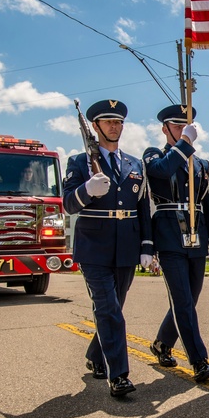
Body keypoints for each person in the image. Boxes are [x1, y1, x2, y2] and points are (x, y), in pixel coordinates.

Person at [62, 99, 152, 398]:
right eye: (108, 121)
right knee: (109, 309)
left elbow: (142, 209)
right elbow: (68, 204)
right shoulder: (79, 162)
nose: (115, 126)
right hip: (94, 246)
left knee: (114, 308)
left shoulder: (134, 164)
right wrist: (86, 190)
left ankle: (95, 354)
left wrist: (146, 246)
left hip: (126, 244)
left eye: (119, 122)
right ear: (95, 127)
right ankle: (119, 375)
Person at [143, 104, 209, 383]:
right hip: (169, 237)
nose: (180, 130)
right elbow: (162, 172)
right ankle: (199, 359)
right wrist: (185, 144)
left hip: (197, 237)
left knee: (190, 299)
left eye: (184, 127)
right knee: (183, 301)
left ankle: (162, 343)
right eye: (175, 126)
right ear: (165, 129)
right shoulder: (154, 155)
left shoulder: (203, 166)